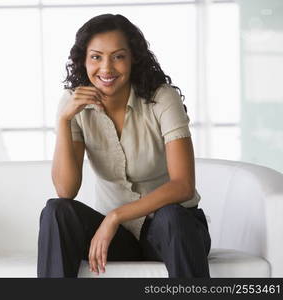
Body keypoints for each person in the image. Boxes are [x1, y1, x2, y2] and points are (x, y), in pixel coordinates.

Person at [37, 13, 211, 278]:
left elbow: (183, 185)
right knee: (56, 211)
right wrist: (63, 120)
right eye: (96, 57)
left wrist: (115, 216)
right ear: (83, 61)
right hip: (118, 239)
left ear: (133, 59)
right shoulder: (73, 105)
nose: (106, 68)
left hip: (174, 231)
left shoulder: (162, 98)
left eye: (118, 56)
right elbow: (65, 190)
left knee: (172, 217)